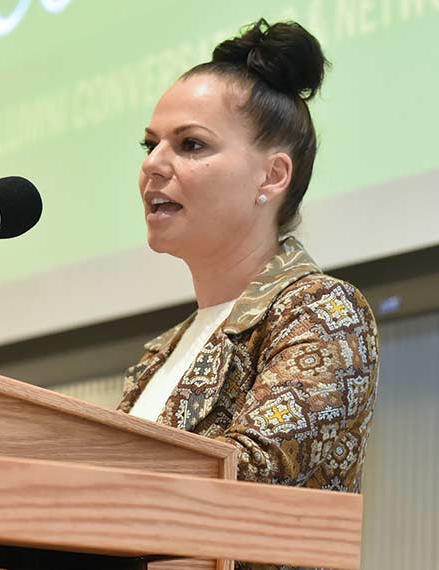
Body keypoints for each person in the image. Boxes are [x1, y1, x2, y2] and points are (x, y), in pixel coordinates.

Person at [117, 18, 379, 570]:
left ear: (272, 176)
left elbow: (247, 473)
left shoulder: (322, 311)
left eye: (189, 145)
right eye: (150, 144)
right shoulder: (161, 351)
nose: (152, 165)